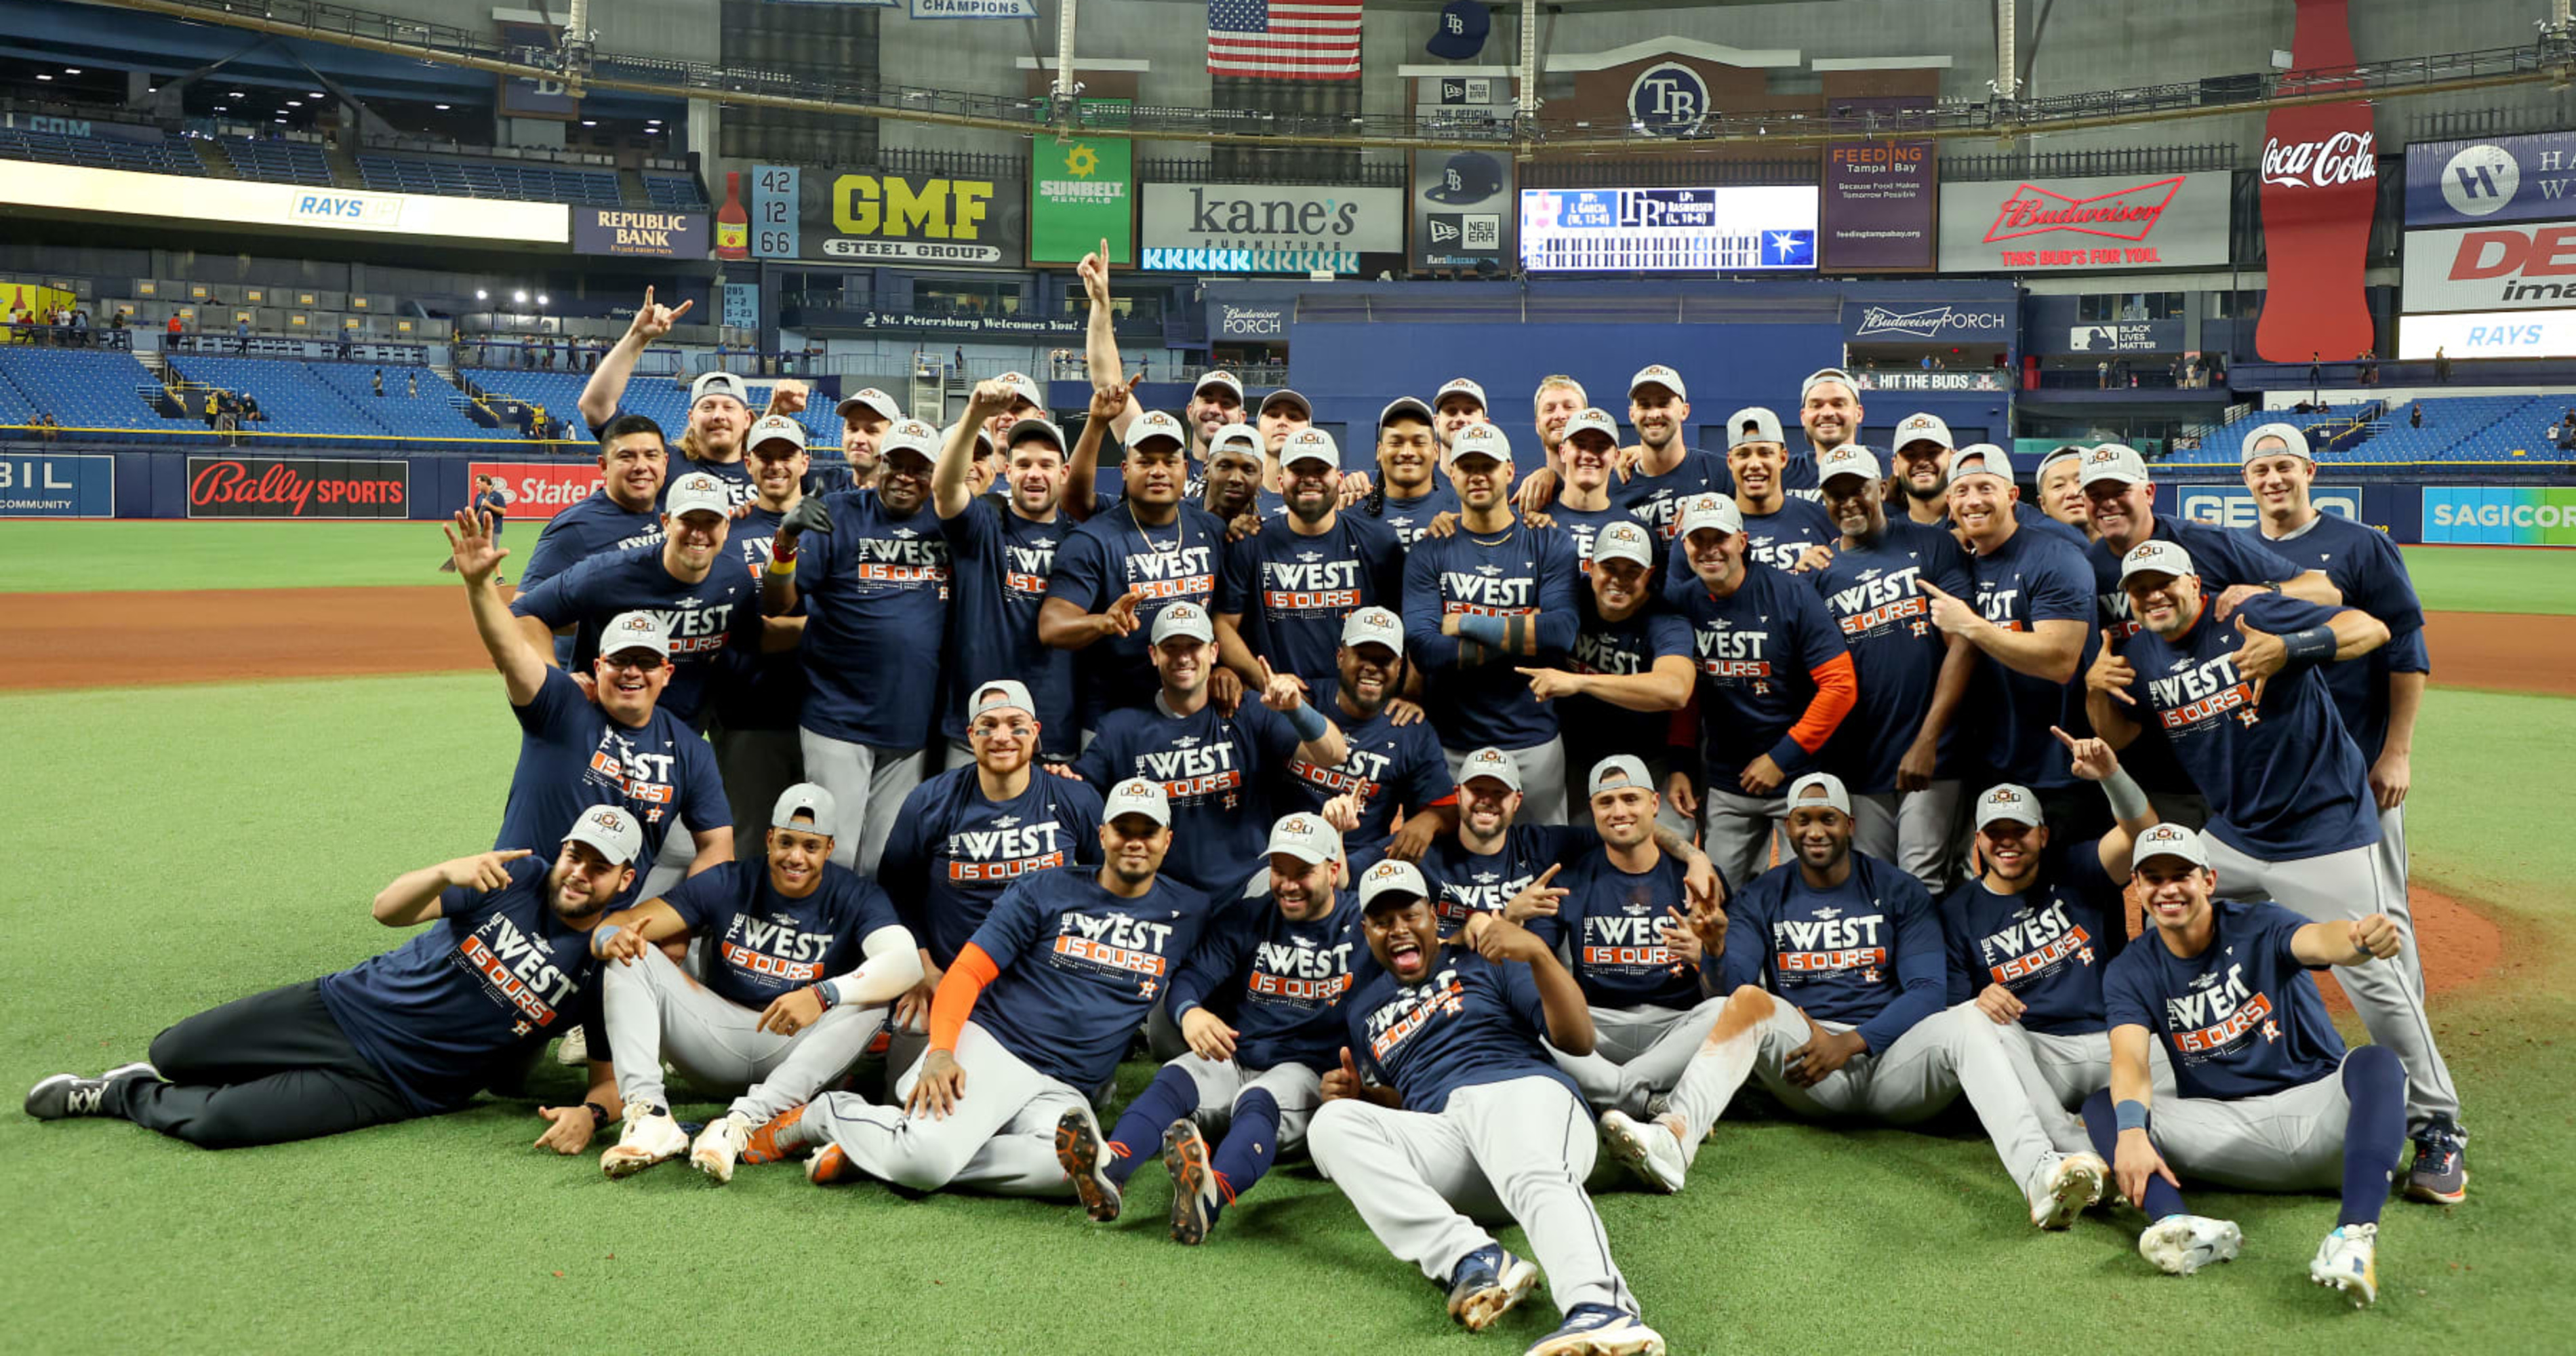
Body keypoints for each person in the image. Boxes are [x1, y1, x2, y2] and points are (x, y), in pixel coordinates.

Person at [2085, 539, 2465, 1200]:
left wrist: (2293, 647)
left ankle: (2437, 1125)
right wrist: (2095, 690)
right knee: (2167, 913)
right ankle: (2188, 1069)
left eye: (2163, 583)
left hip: (2322, 829)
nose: (2152, 596)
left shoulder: (2247, 613)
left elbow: (2368, 627)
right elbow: (2116, 738)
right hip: (2233, 836)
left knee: (2373, 975)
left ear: (2192, 582)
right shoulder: (2137, 651)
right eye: (2139, 587)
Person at [25, 808, 643, 1152]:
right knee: (173, 1051)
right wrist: (440, 873)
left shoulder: (602, 965)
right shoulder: (517, 878)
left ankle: (118, 1095)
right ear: (560, 851)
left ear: (626, 882)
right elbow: (387, 910)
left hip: (399, 1085)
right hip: (339, 1007)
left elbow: (611, 1082)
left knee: (221, 1126)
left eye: (599, 866)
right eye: (575, 854)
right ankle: (149, 1071)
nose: (579, 872)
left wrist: (590, 1115)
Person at [1651, 774, 2114, 1227]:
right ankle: (1674, 1137)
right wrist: (1713, 952)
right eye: (1804, 820)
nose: (1816, 831)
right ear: (1787, 827)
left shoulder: (1898, 890)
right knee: (1750, 999)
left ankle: (2040, 1172)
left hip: (1895, 1064)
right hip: (1811, 1069)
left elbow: (1929, 991)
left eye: (1828, 819)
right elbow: (1729, 992)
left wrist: (1853, 1040)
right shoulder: (1762, 896)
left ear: (1849, 825)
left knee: (1972, 1016)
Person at [752, 780, 1213, 1205]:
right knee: (925, 1165)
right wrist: (941, 1051)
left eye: (1148, 832)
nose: (1135, 841)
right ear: (1102, 834)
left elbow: (1217, 959)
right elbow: (966, 973)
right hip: (994, 1050)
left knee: (1080, 1168)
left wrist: (1190, 1009)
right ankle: (827, 1115)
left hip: (1068, 1086)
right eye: (1123, 829)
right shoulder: (1046, 890)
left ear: (1166, 841)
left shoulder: (1187, 910)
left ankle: (882, 1150)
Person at [1306, 858, 1669, 1356]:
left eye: (1409, 914)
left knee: (1520, 1151)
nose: (1398, 930)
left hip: (1523, 1094)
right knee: (1329, 1125)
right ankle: (1473, 1257)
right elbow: (1403, 1097)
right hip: (1454, 1143)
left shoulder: (1490, 960)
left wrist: (1540, 955)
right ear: (1366, 931)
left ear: (1434, 918)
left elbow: (1579, 1041)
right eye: (1383, 921)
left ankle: (1602, 1309)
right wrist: (1362, 1099)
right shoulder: (1365, 1009)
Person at [2081, 824, 2411, 1308]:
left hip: (2317, 1120)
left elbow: (2321, 941)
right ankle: (2178, 1225)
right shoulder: (2131, 969)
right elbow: (2129, 1057)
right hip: (2227, 1130)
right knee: (2105, 1108)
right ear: (2137, 888)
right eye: (2153, 877)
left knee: (2378, 1064)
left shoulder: (2260, 924)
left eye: (2182, 875)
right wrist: (2131, 1132)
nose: (2168, 888)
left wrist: (2358, 940)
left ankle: (2354, 1237)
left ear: (2209, 880)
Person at [586, 784, 920, 1182]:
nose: (796, 858)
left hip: (794, 1049)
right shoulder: (730, 881)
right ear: (769, 839)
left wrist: (824, 994)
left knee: (870, 1000)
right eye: (786, 843)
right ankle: (651, 1116)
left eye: (810, 847)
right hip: (716, 1037)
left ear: (829, 849)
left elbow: (905, 963)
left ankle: (740, 1124)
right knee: (629, 954)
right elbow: (617, 927)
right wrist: (610, 938)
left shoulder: (855, 895)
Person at [1062, 813, 1363, 1243]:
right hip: (1239, 1052)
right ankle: (1111, 1169)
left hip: (1307, 1071)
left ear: (1334, 871)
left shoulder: (1365, 925)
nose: (1289, 884)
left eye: (1303, 873)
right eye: (1280, 871)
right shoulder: (1252, 915)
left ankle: (1210, 1195)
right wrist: (1190, 1013)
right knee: (1175, 1076)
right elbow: (1192, 977)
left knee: (1259, 1100)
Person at [2078, 441, 2330, 828]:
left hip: (2233, 742)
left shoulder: (2204, 542)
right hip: (2149, 748)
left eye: (2119, 492)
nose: (2108, 503)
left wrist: (2264, 591)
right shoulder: (2085, 569)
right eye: (2096, 495)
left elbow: (2324, 589)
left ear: (2148, 492)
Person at [1946, 737, 2166, 1163]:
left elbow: (2145, 835)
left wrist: (2111, 776)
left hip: (2115, 1043)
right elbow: (1954, 1016)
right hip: (2040, 1055)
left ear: (2043, 835)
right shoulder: (1957, 913)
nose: (2008, 842)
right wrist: (1976, 1001)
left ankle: (2123, 1139)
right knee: (1986, 1037)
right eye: (1996, 833)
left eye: (2019, 831)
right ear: (1978, 841)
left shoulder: (2078, 869)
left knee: (2190, 1057)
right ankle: (2073, 1144)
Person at [878, 679, 1105, 1085]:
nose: (1002, 737)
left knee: (1081, 1092)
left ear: (1036, 733)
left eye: (1016, 725)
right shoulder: (930, 801)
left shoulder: (1077, 800)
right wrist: (923, 971)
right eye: (989, 726)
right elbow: (894, 891)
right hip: (952, 978)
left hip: (1047, 984)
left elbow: (1109, 889)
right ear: (971, 737)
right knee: (909, 1091)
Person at [2238, 423, 2430, 888]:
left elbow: (2406, 647)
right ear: (2246, 480)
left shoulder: (2363, 544)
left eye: (2285, 467)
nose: (2273, 480)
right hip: (2272, 764)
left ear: (2310, 470)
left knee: (2378, 898)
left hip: (2357, 758)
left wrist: (2396, 754)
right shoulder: (2236, 551)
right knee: (2268, 903)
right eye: (2260, 470)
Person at [760, 418, 952, 876]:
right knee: (834, 854)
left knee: (885, 861)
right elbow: (777, 603)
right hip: (838, 718)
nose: (905, 476)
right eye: (896, 463)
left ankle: (867, 947)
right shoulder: (840, 513)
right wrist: (785, 543)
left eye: (919, 468)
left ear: (935, 475)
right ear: (879, 464)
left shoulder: (949, 524)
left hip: (910, 726)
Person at [1076, 601, 1348, 896]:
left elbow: (1334, 754)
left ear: (1214, 652)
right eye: (1172, 648)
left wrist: (1296, 710)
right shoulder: (1120, 729)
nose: (1183, 658)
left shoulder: (1250, 711)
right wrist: (1057, 777)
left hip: (1248, 887)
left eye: (1193, 646)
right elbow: (1077, 792)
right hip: (1164, 895)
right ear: (1154, 655)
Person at [1661, 494, 1857, 893]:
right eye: (1699, 539)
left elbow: (1841, 686)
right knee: (1717, 897)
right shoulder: (1680, 603)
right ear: (1685, 546)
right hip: (1728, 782)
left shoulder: (1790, 593)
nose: (1710, 549)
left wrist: (1781, 758)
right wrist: (1680, 761)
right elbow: (1684, 690)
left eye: (1721, 538)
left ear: (1742, 541)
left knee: (1803, 898)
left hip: (1799, 779)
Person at [1809, 444, 1975, 892]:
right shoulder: (1818, 573)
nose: (1847, 502)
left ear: (1881, 487)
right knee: (1875, 888)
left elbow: (1963, 645)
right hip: (1860, 763)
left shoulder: (1931, 545)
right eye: (1835, 493)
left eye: (1858, 489)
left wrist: (1928, 740)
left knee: (1923, 885)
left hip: (1932, 755)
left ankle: (1933, 966)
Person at [1403, 422, 1582, 824]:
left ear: (1509, 470)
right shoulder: (1430, 549)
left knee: (1542, 863)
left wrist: (1464, 621)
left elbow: (1561, 633)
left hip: (1533, 740)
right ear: (1452, 473)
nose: (1478, 475)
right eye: (1468, 466)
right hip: (1452, 743)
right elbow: (1425, 649)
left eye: (1488, 465)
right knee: (1453, 872)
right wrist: (1522, 631)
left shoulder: (1550, 541)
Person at [512, 471, 784, 734]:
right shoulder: (609, 574)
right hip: (599, 731)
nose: (698, 533)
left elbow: (746, 644)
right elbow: (524, 612)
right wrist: (556, 680)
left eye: (710, 522)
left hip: (682, 738)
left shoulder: (735, 579)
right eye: (688, 520)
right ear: (666, 523)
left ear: (726, 528)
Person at [1917, 447, 2096, 822]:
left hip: (2064, 767)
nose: (1974, 501)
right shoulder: (1962, 565)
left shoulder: (2055, 556)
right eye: (1962, 492)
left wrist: (1969, 624)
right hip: (1995, 764)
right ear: (1949, 504)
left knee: (2071, 877)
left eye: (1986, 488)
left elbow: (2059, 660)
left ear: (2013, 496)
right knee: (2003, 877)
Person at [935, 382, 1085, 765]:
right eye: (1023, 465)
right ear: (1006, 469)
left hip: (1053, 726)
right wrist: (974, 415)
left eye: (1046, 465)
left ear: (1064, 472)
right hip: (977, 726)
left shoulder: (1083, 539)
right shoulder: (982, 524)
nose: (1034, 475)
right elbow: (946, 487)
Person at [1214, 426, 1405, 694]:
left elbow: (1403, 621)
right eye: (1298, 471)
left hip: (1355, 705)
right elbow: (1223, 625)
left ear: (1339, 479)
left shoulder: (1377, 541)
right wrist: (1266, 680)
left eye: (1320, 470)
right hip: (1278, 707)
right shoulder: (1250, 543)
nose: (1309, 479)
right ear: (1281, 482)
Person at [708, 416, 816, 854]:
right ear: (747, 463)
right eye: (765, 457)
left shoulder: (831, 525)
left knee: (818, 838)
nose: (776, 466)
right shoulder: (727, 532)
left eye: (786, 456)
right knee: (750, 837)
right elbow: (739, 631)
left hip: (824, 715)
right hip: (748, 714)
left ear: (804, 462)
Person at [1271, 607, 1451, 849]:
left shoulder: (1412, 730)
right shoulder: (1303, 698)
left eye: (1384, 660)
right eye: (1363, 655)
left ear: (1399, 668)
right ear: (1341, 657)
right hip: (1286, 852)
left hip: (1361, 866)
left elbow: (1449, 809)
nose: (1372, 667)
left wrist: (1429, 821)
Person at [515, 414, 668, 601]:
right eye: (626, 457)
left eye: (651, 456)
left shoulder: (676, 511)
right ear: (604, 466)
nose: (641, 466)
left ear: (665, 463)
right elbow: (524, 611)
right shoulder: (574, 528)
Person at [1720, 407, 1836, 572]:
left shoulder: (1823, 519)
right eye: (1743, 454)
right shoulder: (1715, 529)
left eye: (1765, 453)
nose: (1754, 464)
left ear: (1782, 458)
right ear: (1730, 462)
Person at [1356, 395, 1461, 550]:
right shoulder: (1355, 514)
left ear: (1436, 451)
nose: (1407, 452)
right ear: (1379, 451)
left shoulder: (1460, 512)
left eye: (1419, 442)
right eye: (1396, 443)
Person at [834, 386, 902, 492]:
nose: (858, 439)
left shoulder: (908, 501)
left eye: (872, 431)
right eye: (853, 429)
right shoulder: (822, 485)